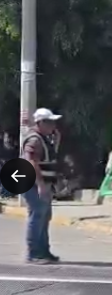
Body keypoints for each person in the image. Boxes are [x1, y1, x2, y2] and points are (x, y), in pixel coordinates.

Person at [21, 108, 63, 264]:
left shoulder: (44, 139)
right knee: (38, 215)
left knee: (44, 217)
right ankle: (33, 253)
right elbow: (31, 162)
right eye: (50, 122)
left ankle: (43, 251)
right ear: (41, 123)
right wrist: (40, 185)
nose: (53, 125)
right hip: (33, 184)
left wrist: (56, 139)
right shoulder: (35, 140)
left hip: (43, 183)